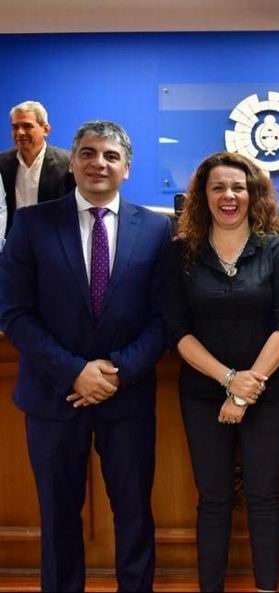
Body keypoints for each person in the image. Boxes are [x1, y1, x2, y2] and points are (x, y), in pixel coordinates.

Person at [0, 120, 171, 592]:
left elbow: (164, 317)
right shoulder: (31, 225)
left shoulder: (156, 229)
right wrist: (74, 372)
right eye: (89, 153)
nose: (100, 163)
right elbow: (14, 313)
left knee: (134, 513)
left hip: (126, 397)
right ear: (72, 163)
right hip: (52, 396)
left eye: (111, 156)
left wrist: (116, 371)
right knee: (58, 516)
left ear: (127, 168)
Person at [163, 152, 279, 592]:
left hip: (268, 392)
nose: (229, 195)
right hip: (203, 394)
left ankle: (265, 588)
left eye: (238, 187)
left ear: (253, 194)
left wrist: (244, 390)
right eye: (218, 187)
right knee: (213, 498)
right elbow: (177, 331)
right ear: (203, 196)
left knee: (263, 496)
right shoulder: (183, 252)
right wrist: (228, 380)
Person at [0, 100, 75, 236]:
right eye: (15, 127)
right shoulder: (2, 163)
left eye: (27, 126)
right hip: (14, 241)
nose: (20, 132)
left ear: (45, 129)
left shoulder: (68, 163)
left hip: (52, 240)